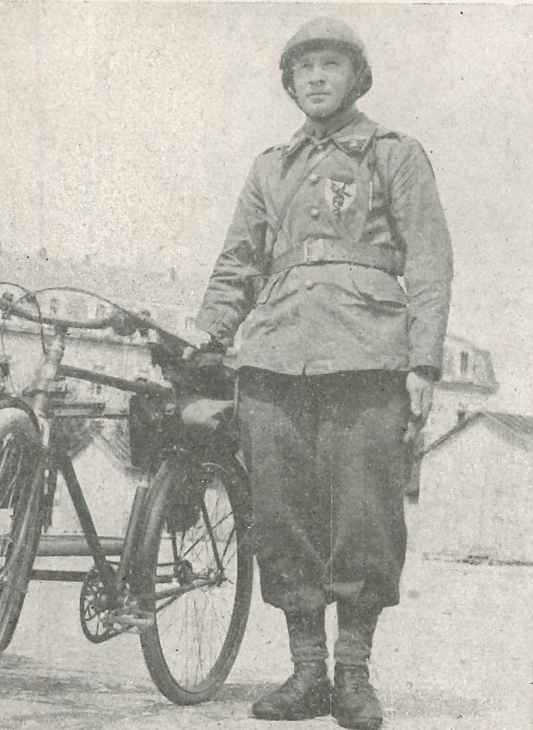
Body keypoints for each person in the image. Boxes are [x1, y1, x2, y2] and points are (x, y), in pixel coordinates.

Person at [191, 19, 452, 730]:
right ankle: (306, 672)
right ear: (289, 83)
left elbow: (427, 260)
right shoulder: (269, 166)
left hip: (367, 356)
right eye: (301, 67)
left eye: (329, 65)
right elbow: (237, 262)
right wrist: (209, 331)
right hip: (274, 358)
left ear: (355, 77)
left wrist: (423, 360)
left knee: (365, 515)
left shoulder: (392, 155)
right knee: (280, 515)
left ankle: (352, 675)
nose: (314, 77)